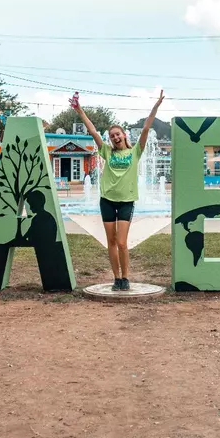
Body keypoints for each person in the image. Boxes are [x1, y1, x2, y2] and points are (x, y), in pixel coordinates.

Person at [72, 90, 164, 291]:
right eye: (112, 135)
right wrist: (80, 111)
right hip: (107, 200)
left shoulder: (135, 152)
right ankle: (116, 278)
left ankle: (126, 276)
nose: (115, 137)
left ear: (124, 135)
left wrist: (155, 107)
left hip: (126, 201)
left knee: (122, 242)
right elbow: (94, 132)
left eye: (118, 134)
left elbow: (147, 128)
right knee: (111, 241)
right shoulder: (106, 151)